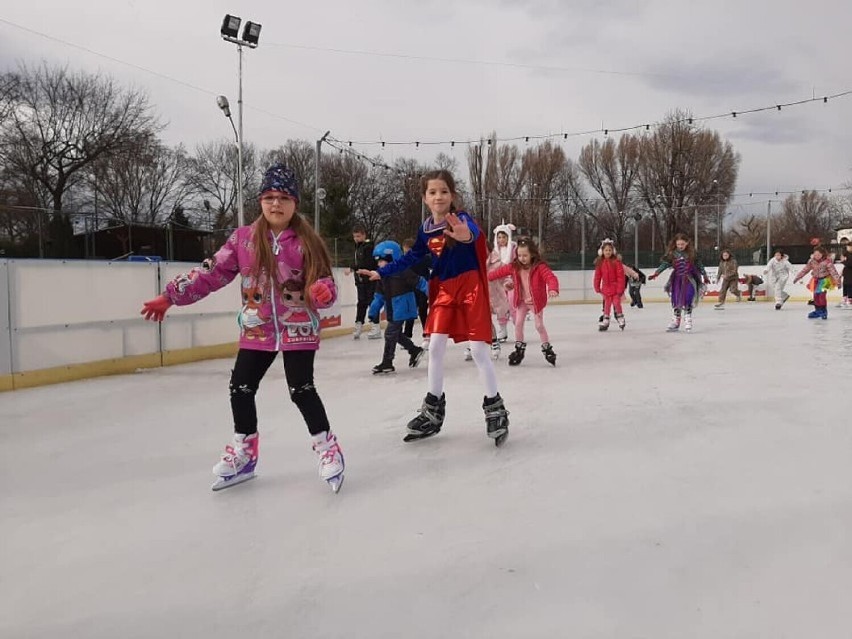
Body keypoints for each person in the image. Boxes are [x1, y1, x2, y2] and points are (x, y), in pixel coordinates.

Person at [140, 163, 345, 493]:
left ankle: (327, 448)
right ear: (261, 201)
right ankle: (245, 452)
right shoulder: (244, 240)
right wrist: (170, 296)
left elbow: (325, 282)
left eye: (283, 198)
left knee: (301, 389)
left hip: (298, 327)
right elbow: (211, 273)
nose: (275, 204)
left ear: (295, 203)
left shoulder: (307, 243)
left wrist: (323, 292)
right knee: (241, 386)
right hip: (257, 327)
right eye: (269, 197)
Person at [359, 170, 510, 446]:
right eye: (432, 192)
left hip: (470, 287)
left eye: (443, 191)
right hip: (443, 289)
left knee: (478, 349)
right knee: (435, 346)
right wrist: (383, 272)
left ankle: (495, 407)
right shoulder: (425, 229)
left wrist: (465, 236)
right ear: (425, 198)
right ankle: (433, 409)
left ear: (452, 195)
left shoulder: (461, 219)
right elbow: (413, 256)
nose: (438, 196)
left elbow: (473, 235)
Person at [487, 236, 560, 364]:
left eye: (525, 255)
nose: (522, 258)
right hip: (521, 301)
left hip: (535, 302)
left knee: (539, 325)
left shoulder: (539, 267)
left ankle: (547, 348)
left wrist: (553, 289)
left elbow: (551, 278)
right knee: (518, 323)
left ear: (532, 254)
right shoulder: (515, 266)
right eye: (519, 255)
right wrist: (486, 277)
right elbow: (500, 272)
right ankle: (519, 348)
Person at [367, 240, 426, 374]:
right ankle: (415, 350)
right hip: (393, 310)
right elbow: (379, 296)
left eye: (381, 261)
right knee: (396, 334)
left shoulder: (403, 271)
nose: (379, 264)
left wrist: (433, 294)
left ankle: (387, 362)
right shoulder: (382, 276)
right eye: (378, 261)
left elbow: (421, 283)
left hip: (403, 308)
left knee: (390, 334)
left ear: (392, 258)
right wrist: (373, 311)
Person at [648, 233, 709, 332]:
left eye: (682, 244)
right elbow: (664, 264)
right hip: (677, 280)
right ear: (675, 244)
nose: (680, 246)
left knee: (688, 298)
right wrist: (656, 273)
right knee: (677, 299)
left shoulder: (692, 253)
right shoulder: (673, 254)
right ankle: (676, 321)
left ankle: (688, 318)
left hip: (689, 279)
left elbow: (699, 265)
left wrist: (705, 276)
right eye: (678, 244)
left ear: (687, 243)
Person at [344, 224, 381, 340]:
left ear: (364, 235)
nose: (356, 239)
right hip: (360, 281)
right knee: (361, 303)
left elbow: (367, 264)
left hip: (370, 279)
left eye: (358, 236)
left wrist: (352, 268)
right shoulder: (358, 248)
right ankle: (358, 325)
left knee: (371, 302)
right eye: (355, 237)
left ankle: (375, 327)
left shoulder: (368, 247)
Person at [792, 245, 841, 319]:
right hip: (815, 280)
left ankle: (824, 311)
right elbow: (805, 270)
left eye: (818, 255)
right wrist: (798, 277)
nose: (817, 256)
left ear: (822, 254)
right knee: (816, 296)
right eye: (815, 255)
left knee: (821, 295)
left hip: (826, 280)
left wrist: (838, 281)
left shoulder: (827, 262)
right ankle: (817, 311)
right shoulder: (812, 261)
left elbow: (833, 272)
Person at [400, 237, 431, 347]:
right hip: (410, 288)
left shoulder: (423, 258)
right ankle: (407, 335)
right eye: (404, 251)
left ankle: (427, 334)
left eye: (408, 251)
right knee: (410, 311)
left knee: (422, 310)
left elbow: (434, 265)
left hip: (422, 287)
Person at [593, 239, 626, 331]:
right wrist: (597, 287)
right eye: (606, 250)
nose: (608, 252)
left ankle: (620, 317)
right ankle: (606, 320)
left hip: (615, 288)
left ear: (613, 251)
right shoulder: (600, 263)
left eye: (610, 250)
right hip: (606, 288)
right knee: (606, 305)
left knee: (616, 303)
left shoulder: (616, 262)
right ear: (602, 251)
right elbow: (597, 276)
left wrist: (620, 289)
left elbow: (620, 276)